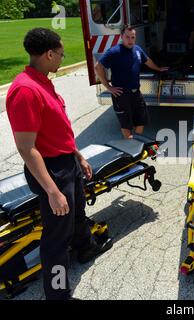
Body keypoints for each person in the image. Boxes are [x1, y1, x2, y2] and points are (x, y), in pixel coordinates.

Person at [6, 28, 113, 300]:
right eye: (61, 54)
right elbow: (26, 148)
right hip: (51, 171)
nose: (62, 59)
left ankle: (86, 247)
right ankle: (58, 294)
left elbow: (56, 129)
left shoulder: (42, 80)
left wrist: (77, 155)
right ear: (49, 54)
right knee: (56, 239)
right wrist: (53, 191)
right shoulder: (25, 91)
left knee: (77, 216)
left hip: (66, 163)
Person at [95, 25, 168, 139]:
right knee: (126, 125)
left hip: (136, 93)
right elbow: (98, 66)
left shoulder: (137, 49)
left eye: (132, 37)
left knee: (141, 120)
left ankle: (136, 143)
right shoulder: (114, 52)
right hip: (121, 94)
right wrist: (108, 87)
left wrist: (158, 68)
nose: (130, 40)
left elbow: (147, 60)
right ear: (121, 37)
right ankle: (130, 147)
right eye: (127, 37)